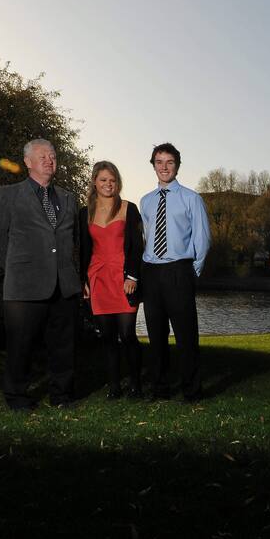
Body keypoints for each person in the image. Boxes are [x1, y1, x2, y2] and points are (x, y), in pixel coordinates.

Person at [0, 139, 79, 409]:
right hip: (23, 285)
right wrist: (17, 268)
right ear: (27, 162)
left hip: (63, 284)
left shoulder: (68, 197)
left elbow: (73, 240)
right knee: (21, 346)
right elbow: (0, 239)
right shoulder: (8, 194)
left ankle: (61, 396)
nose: (49, 160)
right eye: (42, 156)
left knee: (63, 346)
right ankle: (17, 397)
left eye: (52, 155)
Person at [138, 143, 211, 401]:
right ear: (154, 165)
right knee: (156, 336)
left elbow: (202, 240)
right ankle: (160, 388)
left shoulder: (192, 198)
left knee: (186, 336)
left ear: (177, 165)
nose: (164, 167)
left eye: (169, 162)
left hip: (179, 271)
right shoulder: (145, 202)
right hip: (152, 273)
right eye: (159, 162)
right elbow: (146, 237)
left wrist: (191, 272)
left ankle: (192, 390)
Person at [78, 161, 144, 399]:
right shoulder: (84, 212)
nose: (108, 184)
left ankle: (136, 385)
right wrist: (82, 279)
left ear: (118, 183)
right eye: (103, 179)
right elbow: (83, 250)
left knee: (127, 334)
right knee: (107, 337)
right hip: (98, 278)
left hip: (124, 278)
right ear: (95, 181)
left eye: (112, 180)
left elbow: (138, 247)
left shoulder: (129, 208)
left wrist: (133, 276)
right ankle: (114, 387)